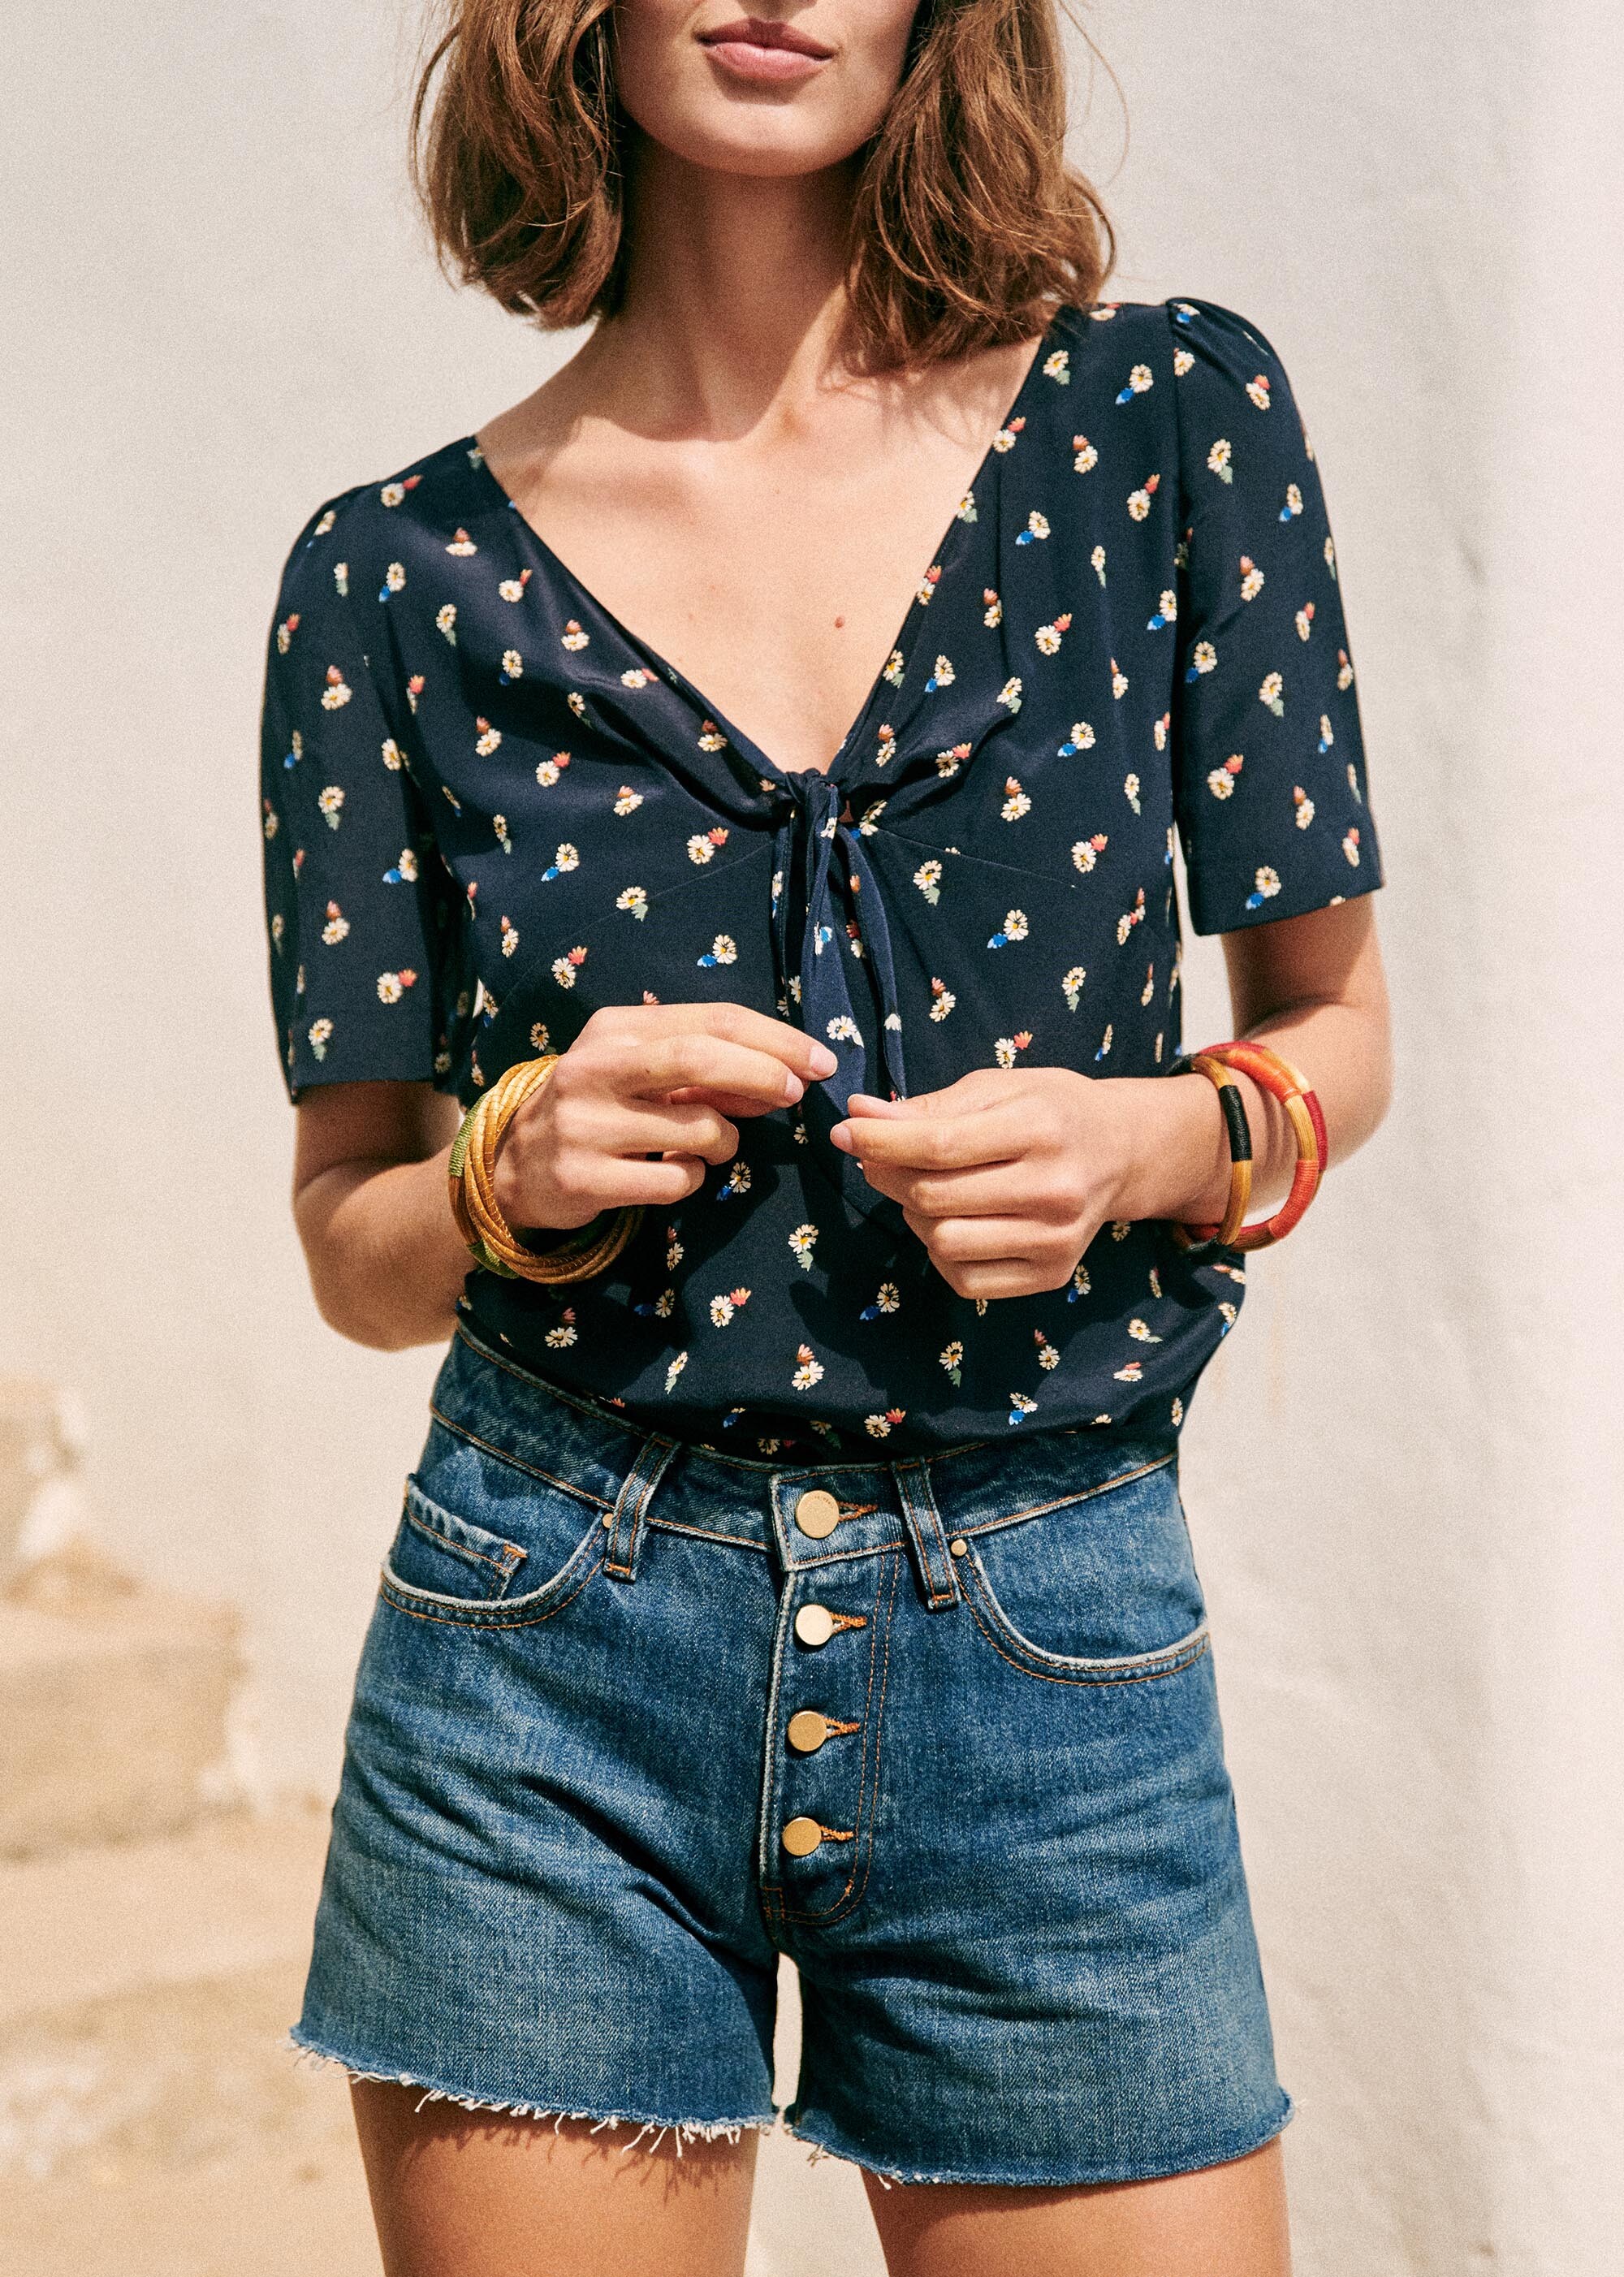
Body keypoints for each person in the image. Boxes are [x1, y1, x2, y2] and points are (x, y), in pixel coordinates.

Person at [259, 5, 1392, 2271]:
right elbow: (350, 1238)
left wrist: (1147, 1142)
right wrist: (507, 1168)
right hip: (546, 1648)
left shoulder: (1169, 423)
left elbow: (1333, 1038)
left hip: (1050, 1636)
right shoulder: (390, 577)